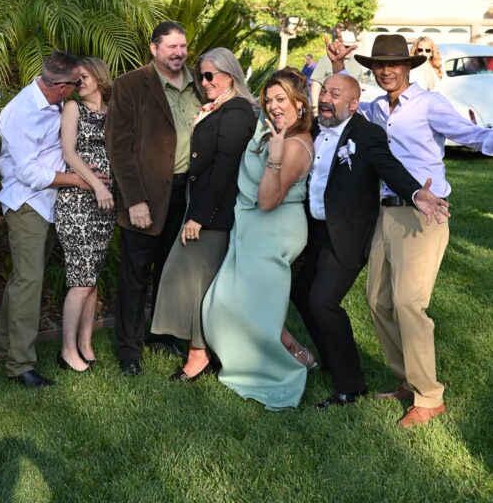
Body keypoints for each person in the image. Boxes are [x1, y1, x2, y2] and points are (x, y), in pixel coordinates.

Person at [327, 32, 493, 427]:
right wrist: (337, 66)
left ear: (407, 67)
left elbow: (471, 134)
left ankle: (430, 397)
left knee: (408, 304)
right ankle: (409, 380)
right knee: (377, 301)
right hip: (385, 214)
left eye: (393, 64)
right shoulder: (375, 109)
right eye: (379, 65)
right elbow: (343, 108)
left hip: (424, 214)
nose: (386, 71)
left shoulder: (429, 104)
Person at [290, 73, 449, 411]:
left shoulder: (366, 134)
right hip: (311, 229)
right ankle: (333, 358)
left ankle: (350, 388)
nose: (326, 98)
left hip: (346, 234)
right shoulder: (313, 129)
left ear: (353, 105)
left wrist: (415, 192)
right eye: (324, 91)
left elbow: (387, 166)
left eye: (335, 94)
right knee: (299, 289)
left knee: (323, 302)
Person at [201, 71, 314, 410]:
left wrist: (275, 159)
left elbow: (267, 201)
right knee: (229, 304)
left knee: (250, 308)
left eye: (282, 99)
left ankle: (281, 371)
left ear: (299, 103)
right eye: (269, 99)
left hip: (274, 230)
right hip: (250, 227)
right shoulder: (271, 131)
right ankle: (297, 354)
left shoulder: (294, 144)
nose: (273, 106)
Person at [0, 51, 105, 389]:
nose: (79, 86)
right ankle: (20, 365)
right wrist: (78, 180)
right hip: (28, 203)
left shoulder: (56, 102)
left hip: (49, 203)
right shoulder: (21, 113)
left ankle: (6, 349)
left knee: (23, 281)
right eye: (76, 82)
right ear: (60, 86)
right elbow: (28, 173)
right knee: (29, 282)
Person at [150, 48, 257, 381]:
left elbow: (225, 168)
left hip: (214, 215)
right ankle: (203, 351)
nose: (204, 81)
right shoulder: (218, 107)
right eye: (201, 75)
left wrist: (200, 215)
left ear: (231, 75)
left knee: (194, 283)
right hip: (200, 208)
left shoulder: (237, 110)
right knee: (192, 282)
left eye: (211, 75)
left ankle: (199, 355)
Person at [106, 21, 201, 376]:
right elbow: (119, 147)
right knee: (135, 276)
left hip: (187, 193)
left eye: (183, 46)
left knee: (171, 271)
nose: (179, 53)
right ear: (154, 48)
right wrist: (134, 199)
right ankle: (129, 350)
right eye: (171, 47)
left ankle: (161, 335)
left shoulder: (199, 83)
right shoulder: (130, 84)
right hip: (146, 195)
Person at [54, 58, 116, 372]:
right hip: (77, 202)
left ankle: (86, 345)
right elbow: (69, 152)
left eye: (84, 77)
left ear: (100, 78)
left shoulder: (113, 112)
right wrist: (97, 186)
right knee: (81, 279)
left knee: (92, 278)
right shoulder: (72, 108)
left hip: (105, 205)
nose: (79, 83)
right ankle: (67, 351)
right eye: (76, 79)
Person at [310, 29, 367, 116]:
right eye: (346, 46)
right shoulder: (326, 60)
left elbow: (359, 86)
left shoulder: (357, 62)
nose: (348, 50)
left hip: (348, 111)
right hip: (327, 108)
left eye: (351, 47)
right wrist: (315, 109)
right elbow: (316, 84)